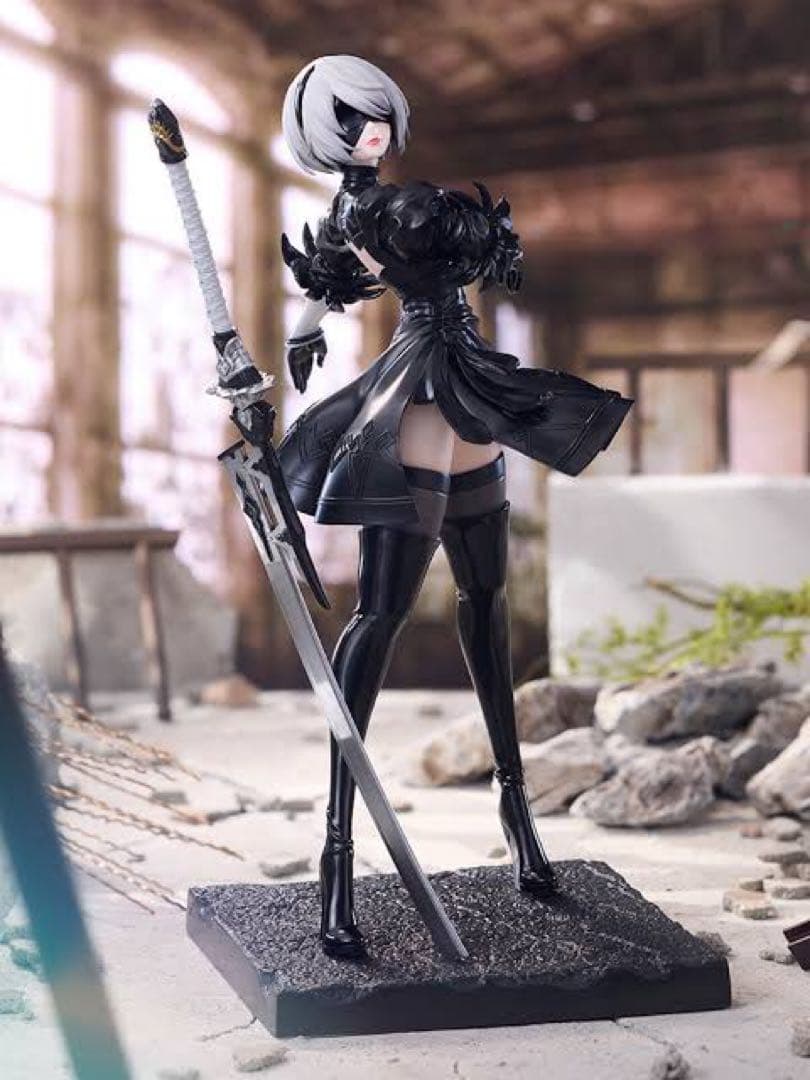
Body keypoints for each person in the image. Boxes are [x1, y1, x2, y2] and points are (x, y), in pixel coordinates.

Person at [273, 55, 633, 959]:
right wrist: (294, 340)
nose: (372, 133)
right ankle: (337, 855)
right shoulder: (381, 209)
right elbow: (341, 279)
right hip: (423, 394)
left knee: (487, 602)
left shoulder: (388, 209)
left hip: (464, 382)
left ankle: (519, 817)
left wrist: (303, 332)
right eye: (352, 121)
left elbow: (334, 285)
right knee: (383, 615)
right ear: (322, 133)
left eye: (379, 117)